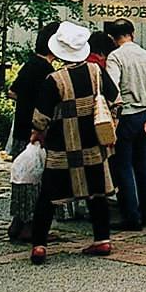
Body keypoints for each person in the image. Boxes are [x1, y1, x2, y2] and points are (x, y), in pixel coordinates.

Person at [28, 21, 119, 264]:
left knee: (48, 196)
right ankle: (102, 240)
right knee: (97, 192)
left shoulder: (53, 79)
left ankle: (39, 245)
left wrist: (36, 134)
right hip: (93, 144)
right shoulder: (96, 72)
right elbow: (115, 100)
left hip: (62, 147)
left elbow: (41, 118)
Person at [105, 18, 146, 231]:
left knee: (124, 167)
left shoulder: (115, 57)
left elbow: (112, 90)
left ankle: (131, 217)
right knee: (144, 165)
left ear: (112, 38)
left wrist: (114, 115)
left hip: (126, 116)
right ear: (133, 33)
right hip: (145, 115)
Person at [6, 22, 59, 242]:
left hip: (20, 128)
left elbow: (12, 92)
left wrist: (26, 103)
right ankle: (31, 226)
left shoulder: (29, 65)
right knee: (35, 179)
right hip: (36, 132)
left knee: (21, 176)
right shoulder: (47, 71)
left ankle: (17, 223)